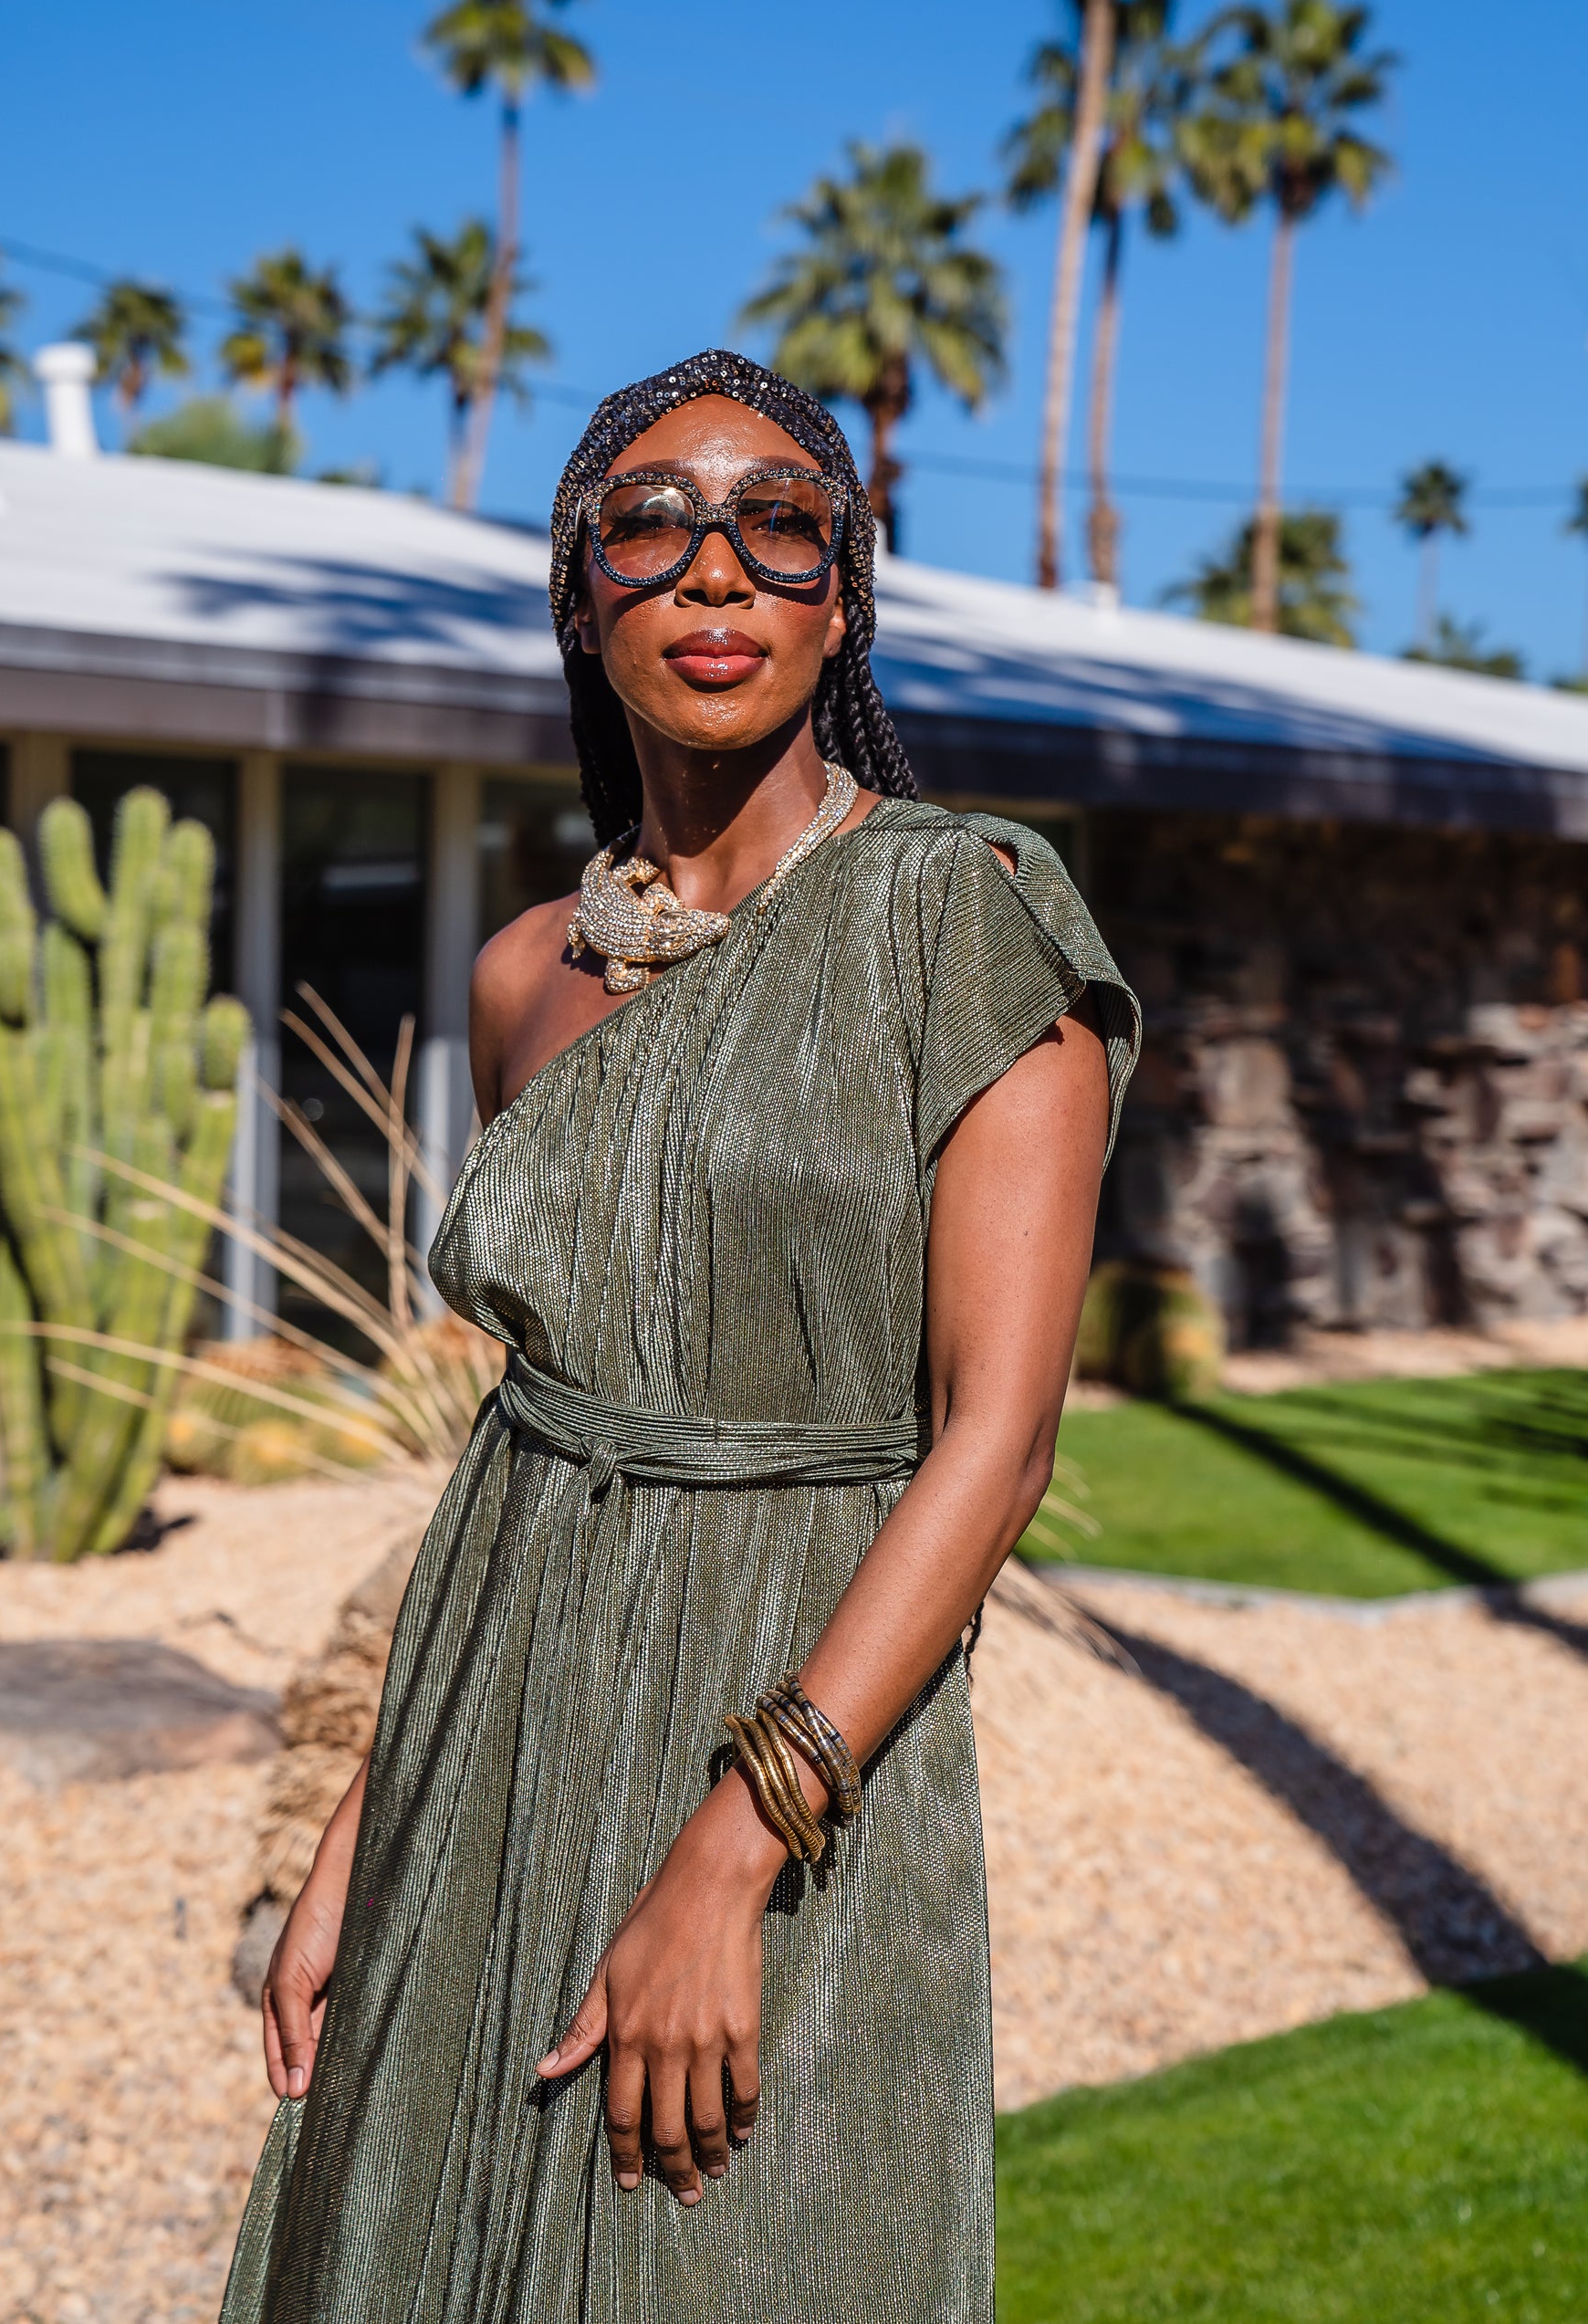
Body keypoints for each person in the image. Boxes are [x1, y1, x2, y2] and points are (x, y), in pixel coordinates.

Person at [220, 351, 1139, 2324]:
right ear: (580, 592)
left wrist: (733, 1850)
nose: (715, 567)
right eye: (651, 520)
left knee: (746, 2250)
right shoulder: (515, 975)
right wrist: (358, 1835)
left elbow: (994, 1438)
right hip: (487, 1719)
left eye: (776, 521)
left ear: (842, 594)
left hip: (798, 1734)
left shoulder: (968, 917)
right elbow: (517, 1440)